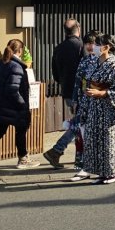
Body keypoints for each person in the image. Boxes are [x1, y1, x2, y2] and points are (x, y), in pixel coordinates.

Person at [72, 33, 115, 185]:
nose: (95, 47)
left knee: (109, 140)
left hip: (109, 107)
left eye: (98, 44)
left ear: (106, 47)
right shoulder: (96, 61)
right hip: (94, 105)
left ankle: (112, 173)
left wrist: (102, 92)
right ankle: (101, 172)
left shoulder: (114, 65)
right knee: (95, 139)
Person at [0, 39, 37, 169]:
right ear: (20, 51)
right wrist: (22, 104)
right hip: (15, 105)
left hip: (1, 104)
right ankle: (23, 159)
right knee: (21, 129)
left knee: (0, 131)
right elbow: (13, 90)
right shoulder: (17, 67)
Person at [43, 31, 98, 169]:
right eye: (87, 43)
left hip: (97, 97)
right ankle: (73, 157)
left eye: (93, 43)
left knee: (78, 126)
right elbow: (78, 81)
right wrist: (75, 99)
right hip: (85, 98)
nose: (90, 47)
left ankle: (58, 151)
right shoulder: (85, 60)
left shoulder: (101, 60)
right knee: (79, 127)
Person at [51, 19, 83, 120]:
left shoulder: (58, 48)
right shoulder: (81, 46)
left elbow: (55, 73)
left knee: (76, 118)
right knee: (83, 122)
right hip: (83, 91)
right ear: (78, 28)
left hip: (67, 90)